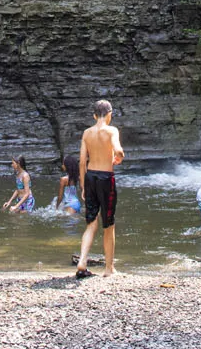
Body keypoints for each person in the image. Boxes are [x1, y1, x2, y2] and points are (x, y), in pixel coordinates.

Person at [74, 99, 124, 279]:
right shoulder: (112, 130)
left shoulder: (87, 133)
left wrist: (83, 185)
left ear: (95, 115)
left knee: (91, 223)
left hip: (90, 177)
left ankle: (82, 260)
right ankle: (109, 268)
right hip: (105, 178)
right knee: (108, 224)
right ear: (109, 114)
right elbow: (118, 150)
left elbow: (81, 161)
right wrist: (119, 157)